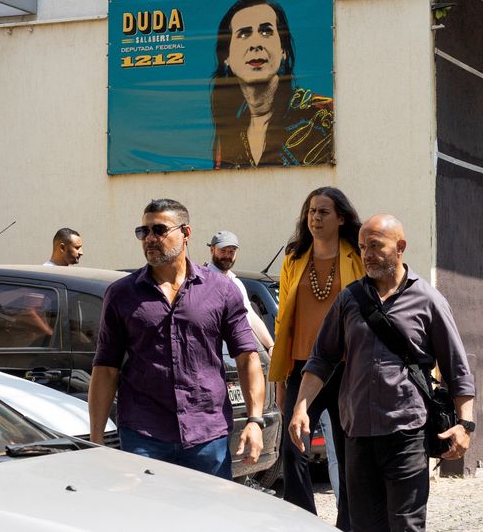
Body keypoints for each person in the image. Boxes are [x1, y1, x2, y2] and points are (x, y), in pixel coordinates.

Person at [289, 214, 476, 532]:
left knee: (405, 525)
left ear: (400, 247)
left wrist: (465, 424)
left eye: (375, 246)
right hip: (357, 433)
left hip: (407, 432)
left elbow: (457, 368)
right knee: (363, 524)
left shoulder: (428, 300)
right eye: (363, 247)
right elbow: (322, 358)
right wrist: (301, 407)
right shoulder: (349, 299)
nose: (367, 254)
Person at [88, 198, 265, 479]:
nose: (150, 238)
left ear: (186, 233)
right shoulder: (122, 294)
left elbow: (247, 356)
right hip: (144, 435)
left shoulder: (221, 290)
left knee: (209, 519)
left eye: (159, 230)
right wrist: (96, 436)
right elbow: (106, 367)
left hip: (208, 435)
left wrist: (255, 420)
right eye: (143, 232)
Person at [268, 186, 364, 531]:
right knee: (293, 452)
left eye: (323, 211)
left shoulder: (357, 254)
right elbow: (283, 321)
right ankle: (303, 522)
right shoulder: (295, 257)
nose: (315, 218)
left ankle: (348, 524)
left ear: (341, 218)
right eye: (311, 211)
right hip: (301, 368)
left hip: (346, 370)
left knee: (349, 454)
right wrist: (279, 379)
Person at [210, 0, 333, 169]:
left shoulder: (323, 113)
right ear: (226, 57)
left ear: (283, 50)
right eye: (244, 34)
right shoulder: (230, 135)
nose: (255, 44)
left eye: (266, 31)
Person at [206, 230, 274, 351]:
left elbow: (250, 316)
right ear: (212, 250)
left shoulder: (236, 282)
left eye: (231, 251)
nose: (227, 256)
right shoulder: (203, 281)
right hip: (219, 353)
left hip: (244, 348)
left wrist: (270, 346)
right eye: (223, 251)